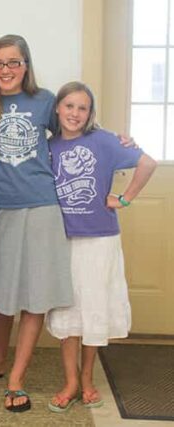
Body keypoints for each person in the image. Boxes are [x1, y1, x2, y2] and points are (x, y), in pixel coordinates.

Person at [0, 34, 74, 412]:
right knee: (3, 294)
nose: (5, 70)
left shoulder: (45, 101)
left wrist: (116, 145)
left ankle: (17, 378)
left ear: (26, 65)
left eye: (13, 62)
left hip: (42, 208)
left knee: (34, 295)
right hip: (0, 210)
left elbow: (77, 134)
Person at [45, 81, 156, 413]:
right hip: (62, 239)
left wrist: (124, 198)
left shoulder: (105, 141)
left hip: (99, 239)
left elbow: (147, 163)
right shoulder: (47, 147)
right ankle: (70, 382)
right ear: (58, 109)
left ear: (90, 113)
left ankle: (88, 378)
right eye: (69, 106)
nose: (75, 113)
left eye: (82, 108)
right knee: (67, 313)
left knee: (91, 310)